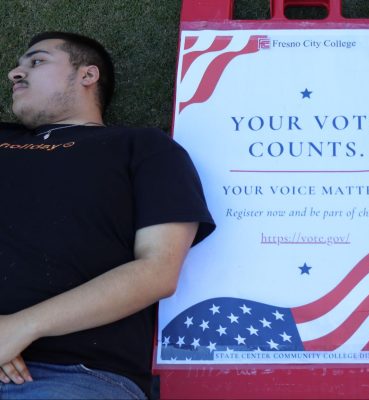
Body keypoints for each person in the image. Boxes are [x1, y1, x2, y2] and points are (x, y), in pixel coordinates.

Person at [0, 32, 215, 398]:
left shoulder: (142, 147)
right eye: (18, 66)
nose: (14, 74)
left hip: (72, 374)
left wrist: (19, 328)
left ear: (88, 75)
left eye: (36, 62)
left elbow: (158, 270)